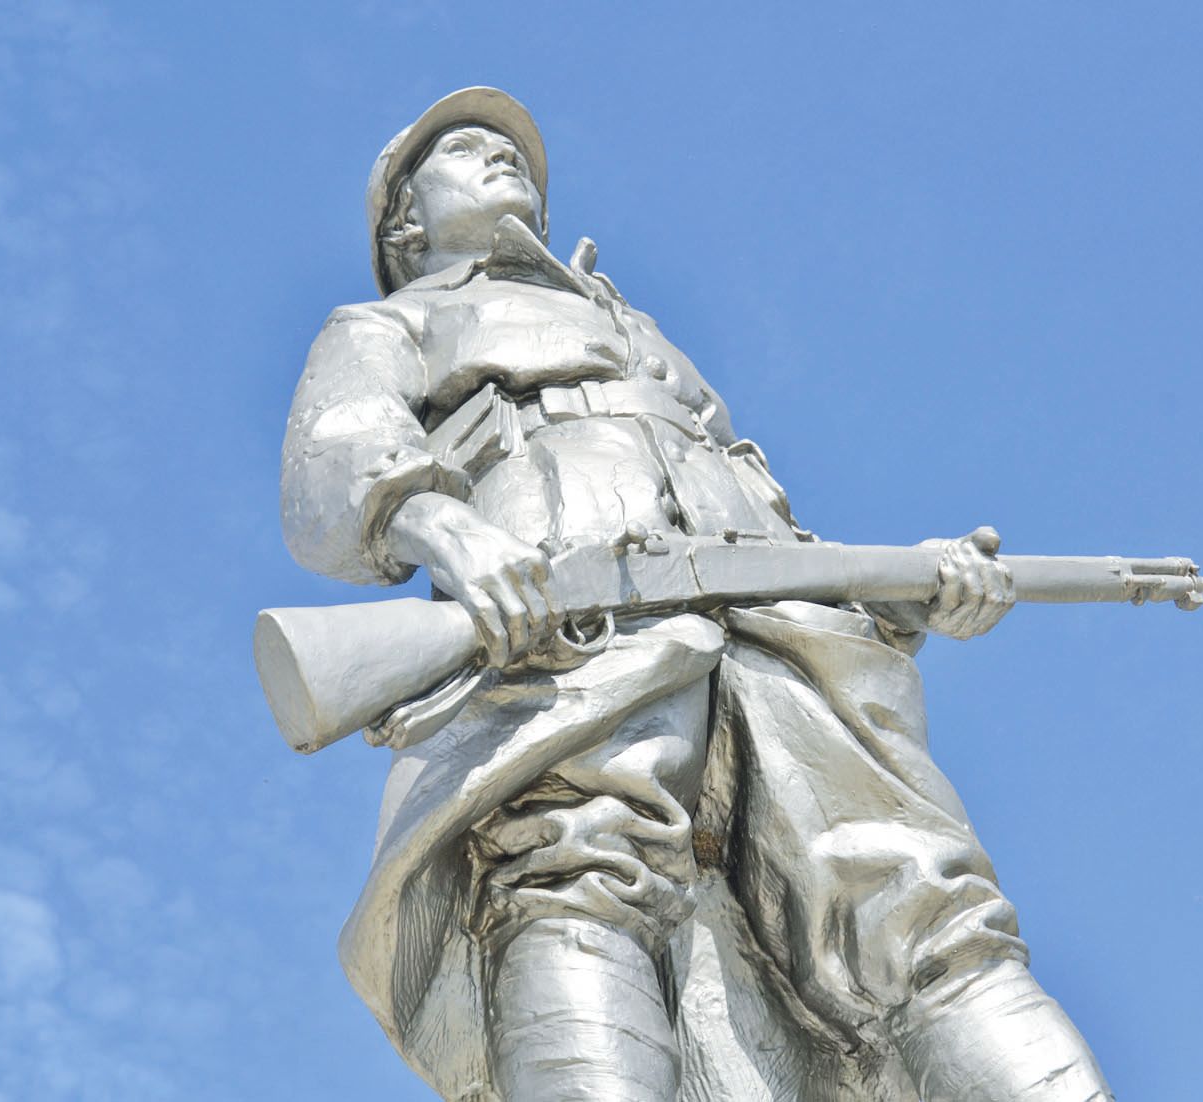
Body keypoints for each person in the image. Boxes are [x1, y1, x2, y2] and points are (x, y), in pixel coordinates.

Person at [281, 87, 1113, 1102]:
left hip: (781, 628)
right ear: (404, 222)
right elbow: (336, 448)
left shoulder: (638, 330)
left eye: (514, 151)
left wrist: (900, 593)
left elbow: (761, 504)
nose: (505, 157)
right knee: (574, 866)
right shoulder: (390, 321)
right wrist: (440, 525)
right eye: (464, 148)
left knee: (925, 907)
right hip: (565, 611)